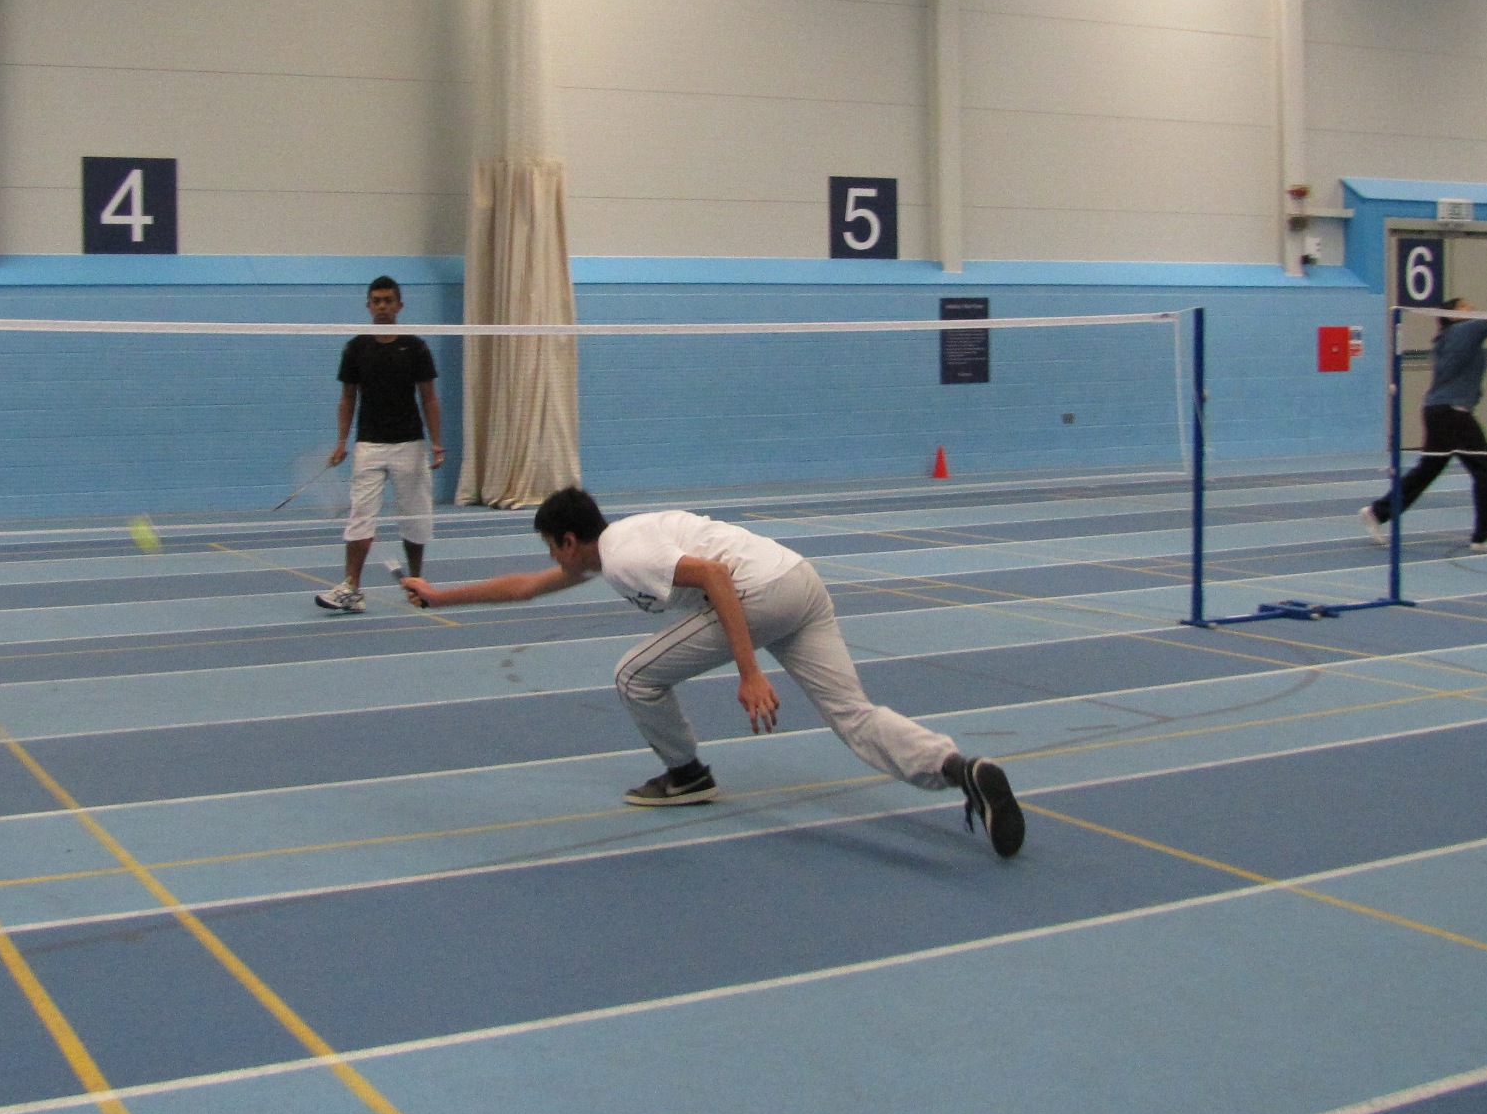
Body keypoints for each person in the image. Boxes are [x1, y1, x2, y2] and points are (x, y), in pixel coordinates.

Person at [400, 486, 1024, 857]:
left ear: (567, 539)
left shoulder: (623, 559)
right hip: (800, 581)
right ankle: (959, 768)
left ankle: (688, 774)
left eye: (551, 548)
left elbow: (718, 578)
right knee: (853, 716)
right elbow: (528, 588)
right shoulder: (619, 541)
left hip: (758, 594)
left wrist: (749, 671)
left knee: (633, 676)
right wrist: (441, 595)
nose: (552, 561)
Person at [315, 276, 443, 614]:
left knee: (414, 518)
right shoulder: (356, 347)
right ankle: (351, 589)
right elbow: (347, 399)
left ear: (399, 306)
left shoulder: (415, 347)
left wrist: (437, 444)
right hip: (368, 445)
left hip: (410, 445)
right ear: (368, 306)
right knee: (360, 517)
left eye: (388, 300)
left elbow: (429, 398)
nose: (383, 306)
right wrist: (342, 441)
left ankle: (417, 584)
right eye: (376, 301)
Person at [1362, 284, 1487, 555]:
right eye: (1464, 306)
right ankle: (1484, 536)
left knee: (1427, 470)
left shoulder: (1447, 338)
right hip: (1452, 414)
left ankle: (1377, 512)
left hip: (1436, 412)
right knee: (1484, 469)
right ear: (1452, 315)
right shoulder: (1464, 331)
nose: (1471, 308)